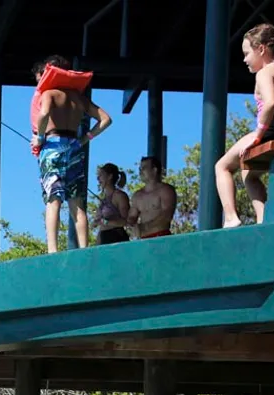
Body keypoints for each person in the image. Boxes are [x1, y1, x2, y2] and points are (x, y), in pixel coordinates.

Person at [217, 24, 274, 228]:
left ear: (261, 49)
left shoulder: (265, 73)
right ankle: (262, 217)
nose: (245, 59)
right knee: (248, 173)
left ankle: (231, 217)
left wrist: (258, 133)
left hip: (273, 132)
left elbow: (271, 103)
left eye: (247, 53)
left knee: (221, 166)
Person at [30, 55, 112, 253]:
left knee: (53, 199)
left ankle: (52, 250)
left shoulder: (48, 93)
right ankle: (84, 249)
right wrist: (86, 138)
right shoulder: (78, 97)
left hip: (52, 146)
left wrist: (40, 138)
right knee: (77, 203)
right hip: (75, 146)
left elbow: (44, 114)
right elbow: (106, 119)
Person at [128, 156, 177, 239]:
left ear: (154, 170)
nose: (140, 171)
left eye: (144, 168)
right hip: (143, 239)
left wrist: (145, 227)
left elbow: (167, 216)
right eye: (140, 169)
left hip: (161, 236)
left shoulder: (166, 190)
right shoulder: (137, 195)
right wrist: (132, 224)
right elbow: (132, 216)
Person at [94, 163, 131, 244]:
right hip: (103, 239)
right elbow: (101, 226)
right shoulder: (103, 199)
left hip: (116, 238)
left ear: (110, 176)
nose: (98, 178)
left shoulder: (119, 196)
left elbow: (126, 221)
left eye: (101, 175)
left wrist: (104, 222)